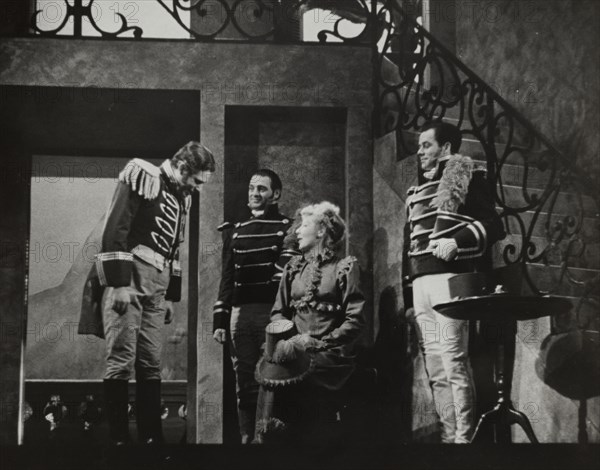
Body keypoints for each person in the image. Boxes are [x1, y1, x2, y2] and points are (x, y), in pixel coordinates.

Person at [79, 141, 215, 445]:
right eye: (196, 180)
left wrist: (169, 296)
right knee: (121, 359)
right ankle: (119, 442)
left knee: (151, 362)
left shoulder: (182, 198)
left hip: (158, 285)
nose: (197, 188)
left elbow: (173, 247)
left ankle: (152, 439)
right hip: (130, 278)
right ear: (182, 168)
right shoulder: (143, 175)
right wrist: (118, 284)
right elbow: (116, 228)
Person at [402, 122, 505, 443]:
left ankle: (463, 440)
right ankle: (448, 437)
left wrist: (459, 241)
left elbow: (494, 225)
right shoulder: (416, 192)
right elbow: (410, 246)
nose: (419, 152)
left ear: (446, 148)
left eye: (426, 145)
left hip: (451, 279)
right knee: (435, 366)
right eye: (419, 146)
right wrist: (408, 296)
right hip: (421, 285)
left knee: (453, 360)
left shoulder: (467, 179)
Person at [255, 201, 366, 442]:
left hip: (330, 355)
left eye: (304, 225)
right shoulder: (293, 268)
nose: (296, 231)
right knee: (269, 372)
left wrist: (320, 342)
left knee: (306, 389)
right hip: (293, 351)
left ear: (321, 231)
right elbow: (278, 312)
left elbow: (355, 320)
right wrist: (288, 342)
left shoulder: (344, 267)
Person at [212, 169, 294, 444]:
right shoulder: (236, 232)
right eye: (251, 188)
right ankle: (248, 442)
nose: (255, 194)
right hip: (239, 317)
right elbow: (227, 279)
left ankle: (268, 444)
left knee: (272, 381)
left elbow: (285, 279)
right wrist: (220, 321)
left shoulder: (287, 227)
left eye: (261, 189)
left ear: (275, 195)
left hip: (271, 316)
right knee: (244, 383)